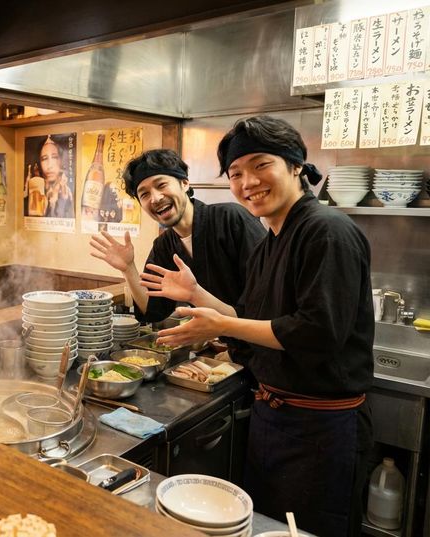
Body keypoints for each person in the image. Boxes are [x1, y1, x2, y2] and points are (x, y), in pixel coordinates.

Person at [142, 116, 374, 537]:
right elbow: (246, 316)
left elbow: (317, 332)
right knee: (268, 528)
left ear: (296, 165)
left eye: (261, 165)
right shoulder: (271, 242)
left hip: (320, 428)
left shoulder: (327, 231)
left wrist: (218, 324)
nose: (247, 182)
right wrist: (197, 295)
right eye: (235, 173)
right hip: (273, 416)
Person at [90, 148, 265, 324]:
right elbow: (153, 311)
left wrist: (196, 295)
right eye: (144, 194)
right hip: (221, 337)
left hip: (264, 336)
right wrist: (128, 268)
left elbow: (267, 297)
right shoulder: (164, 246)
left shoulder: (231, 219)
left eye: (161, 185)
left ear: (185, 183)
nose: (155, 198)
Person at [39, 135, 74, 218]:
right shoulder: (36, 192)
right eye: (44, 158)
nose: (49, 165)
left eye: (54, 157)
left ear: (61, 160)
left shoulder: (66, 193)